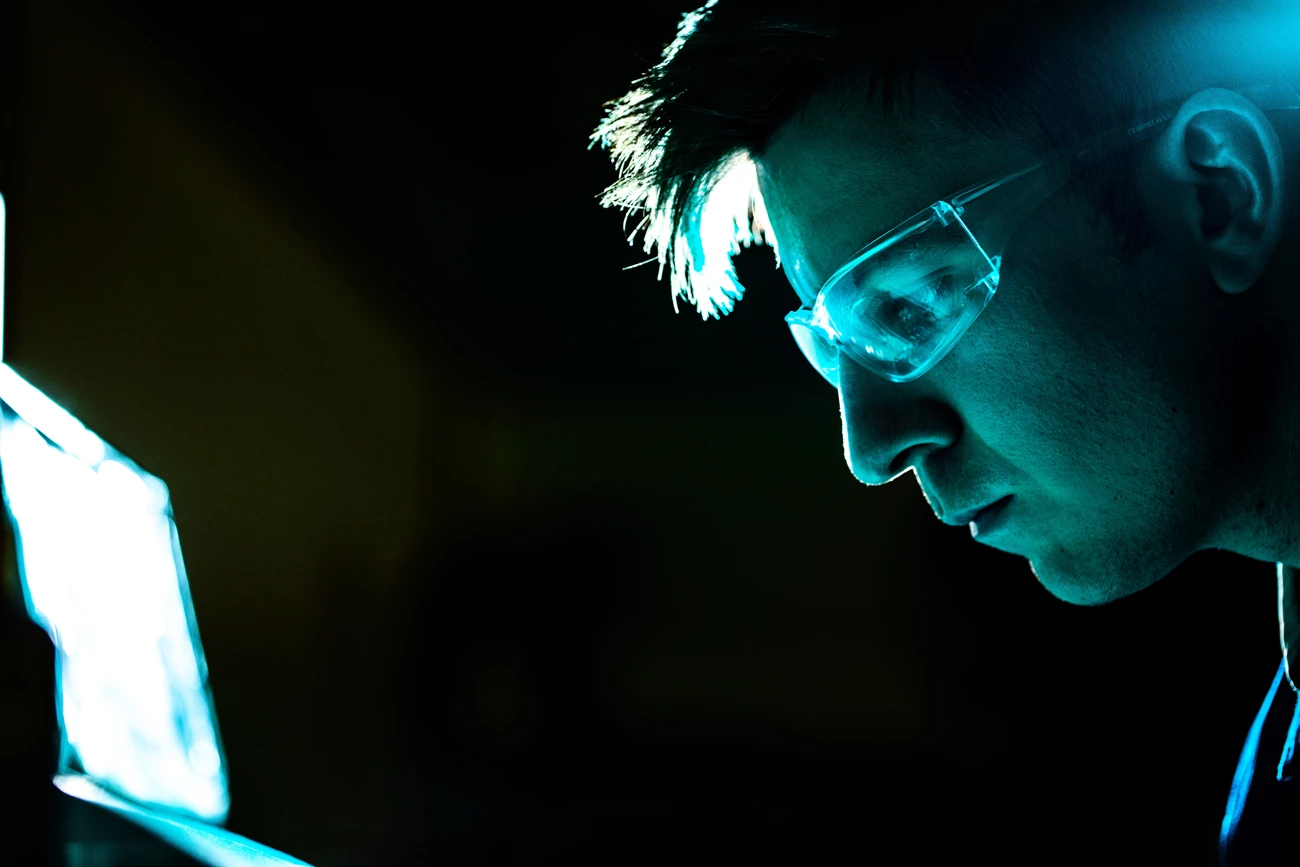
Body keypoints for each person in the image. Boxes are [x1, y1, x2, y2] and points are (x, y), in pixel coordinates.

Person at [592, 0, 1300, 861]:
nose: (870, 448)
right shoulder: (1275, 783)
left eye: (912, 302)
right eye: (834, 351)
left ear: (1220, 191)